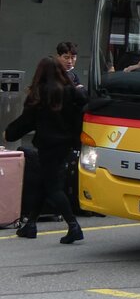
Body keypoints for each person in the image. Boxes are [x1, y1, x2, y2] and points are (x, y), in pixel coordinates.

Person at [3, 57, 86, 243]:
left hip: (47, 146)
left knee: (53, 186)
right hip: (66, 145)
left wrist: (9, 133)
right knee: (44, 181)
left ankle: (73, 226)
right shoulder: (72, 92)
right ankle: (30, 225)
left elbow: (26, 121)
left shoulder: (39, 94)